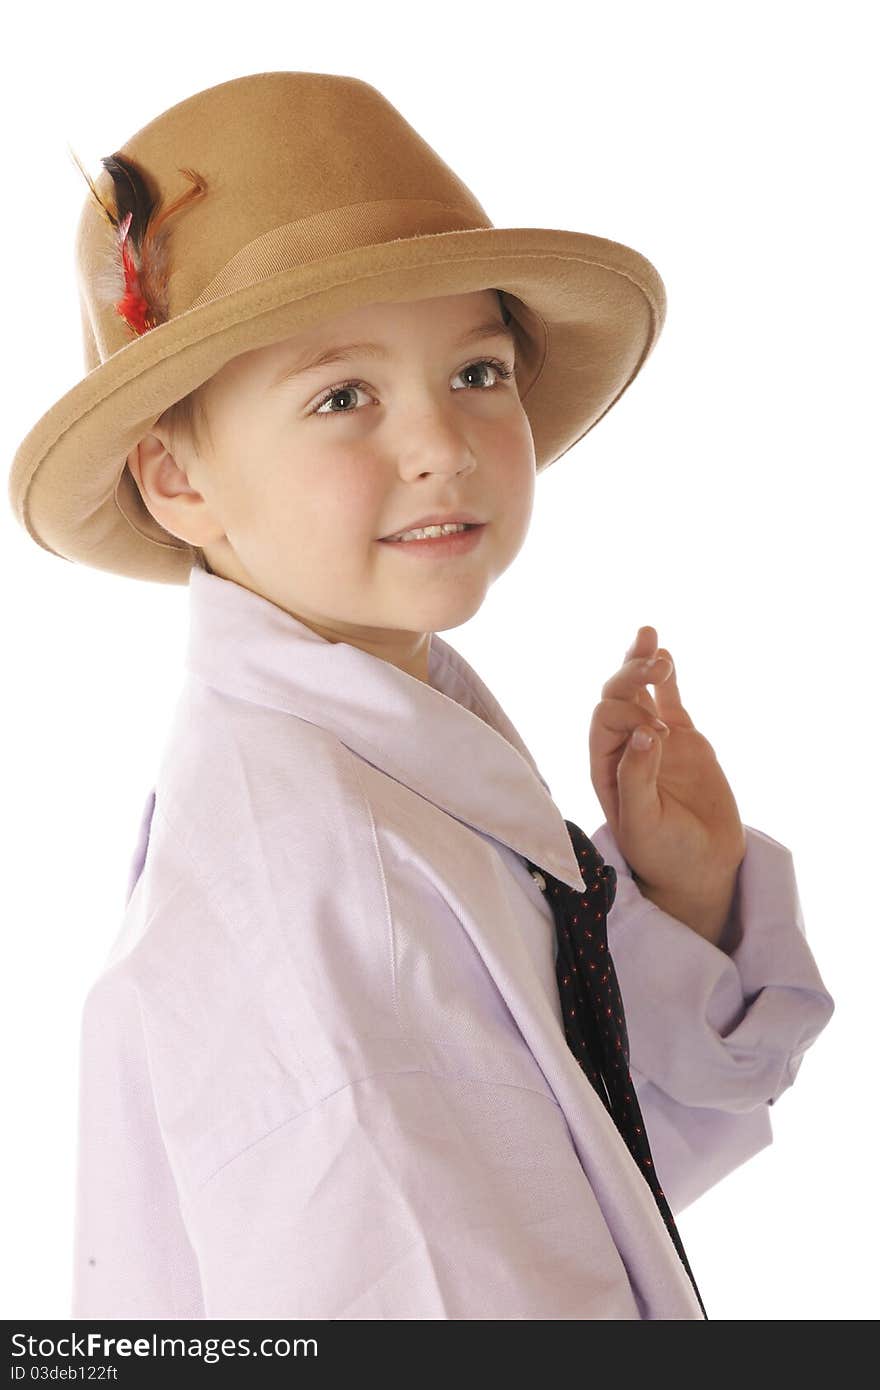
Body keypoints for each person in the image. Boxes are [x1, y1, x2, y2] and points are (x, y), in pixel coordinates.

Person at [9, 71, 834, 1320]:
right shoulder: (320, 880)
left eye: (479, 372)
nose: (441, 443)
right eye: (344, 395)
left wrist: (681, 895)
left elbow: (586, 1182)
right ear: (176, 479)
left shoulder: (393, 760)